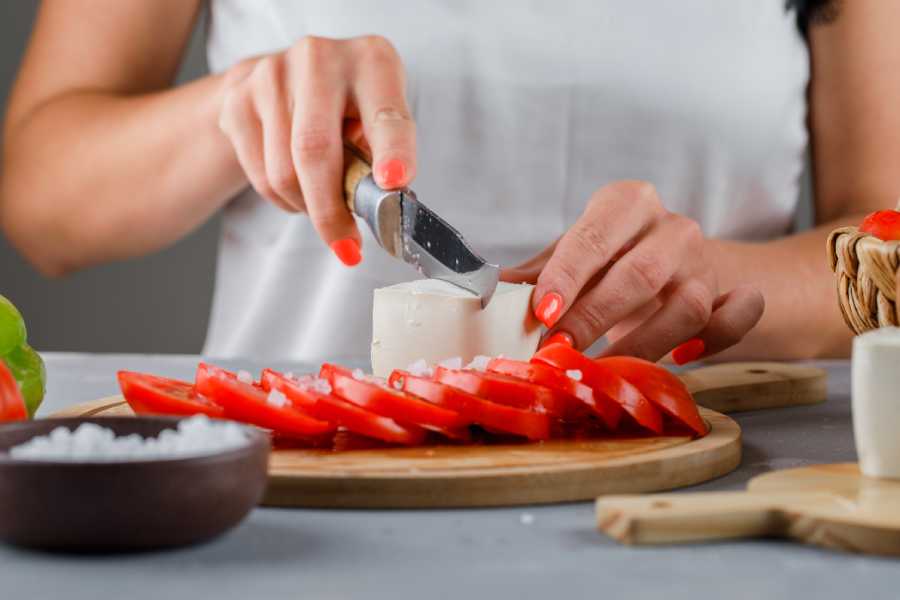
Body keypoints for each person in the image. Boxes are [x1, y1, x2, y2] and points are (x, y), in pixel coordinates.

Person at [1, 0, 892, 365]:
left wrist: (721, 279)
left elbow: (887, 241)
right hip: (300, 519)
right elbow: (41, 200)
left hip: (704, 513)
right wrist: (234, 110)